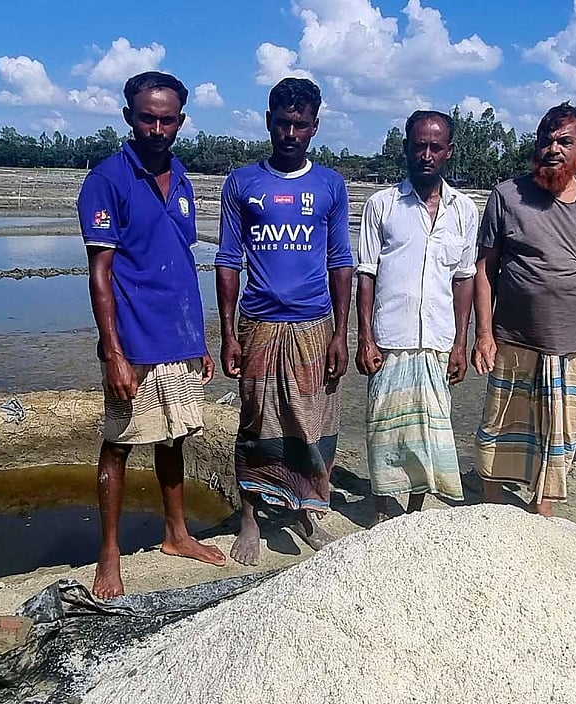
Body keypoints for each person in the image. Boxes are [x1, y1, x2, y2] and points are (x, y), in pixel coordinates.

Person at [76, 71, 225, 599]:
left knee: (174, 436)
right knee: (119, 444)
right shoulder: (107, 180)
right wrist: (114, 352)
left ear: (180, 121)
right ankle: (109, 553)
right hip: (134, 341)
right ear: (129, 117)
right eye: (147, 118)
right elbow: (100, 274)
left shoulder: (181, 177)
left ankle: (176, 534)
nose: (157, 129)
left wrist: (198, 339)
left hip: (178, 336)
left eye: (167, 120)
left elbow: (179, 261)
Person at [215, 77, 354, 566]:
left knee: (313, 421)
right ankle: (251, 517)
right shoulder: (242, 183)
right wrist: (228, 333)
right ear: (268, 122)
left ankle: (306, 511)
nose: (290, 133)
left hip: (314, 326)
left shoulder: (330, 185)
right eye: (282, 123)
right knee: (255, 420)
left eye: (300, 124)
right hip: (258, 324)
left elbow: (340, 260)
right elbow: (228, 260)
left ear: (314, 127)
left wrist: (341, 334)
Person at [471, 102, 576, 517]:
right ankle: (493, 507)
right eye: (546, 141)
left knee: (559, 432)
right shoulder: (507, 196)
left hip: (572, 345)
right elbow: (485, 268)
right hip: (513, 340)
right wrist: (483, 334)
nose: (553, 149)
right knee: (502, 425)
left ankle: (543, 509)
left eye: (564, 141)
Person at [355, 110, 478, 524]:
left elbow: (464, 279)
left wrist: (461, 343)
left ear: (449, 151)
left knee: (429, 432)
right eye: (419, 146)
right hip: (390, 339)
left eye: (435, 147)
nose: (426, 155)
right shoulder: (382, 205)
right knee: (385, 431)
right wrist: (365, 338)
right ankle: (381, 511)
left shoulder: (464, 210)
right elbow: (366, 274)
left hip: (437, 341)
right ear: (406, 148)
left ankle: (415, 513)